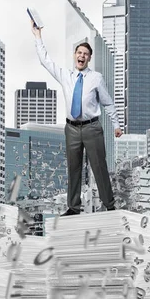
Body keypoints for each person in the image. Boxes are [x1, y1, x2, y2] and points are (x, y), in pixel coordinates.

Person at [31, 20, 122, 215]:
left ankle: (109, 204)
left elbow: (107, 102)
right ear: (75, 56)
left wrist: (116, 125)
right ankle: (73, 207)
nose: (81, 56)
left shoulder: (96, 77)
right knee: (73, 169)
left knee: (99, 167)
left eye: (85, 54)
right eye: (79, 53)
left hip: (92, 127)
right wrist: (38, 36)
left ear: (89, 58)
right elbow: (45, 60)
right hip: (71, 128)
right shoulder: (65, 75)